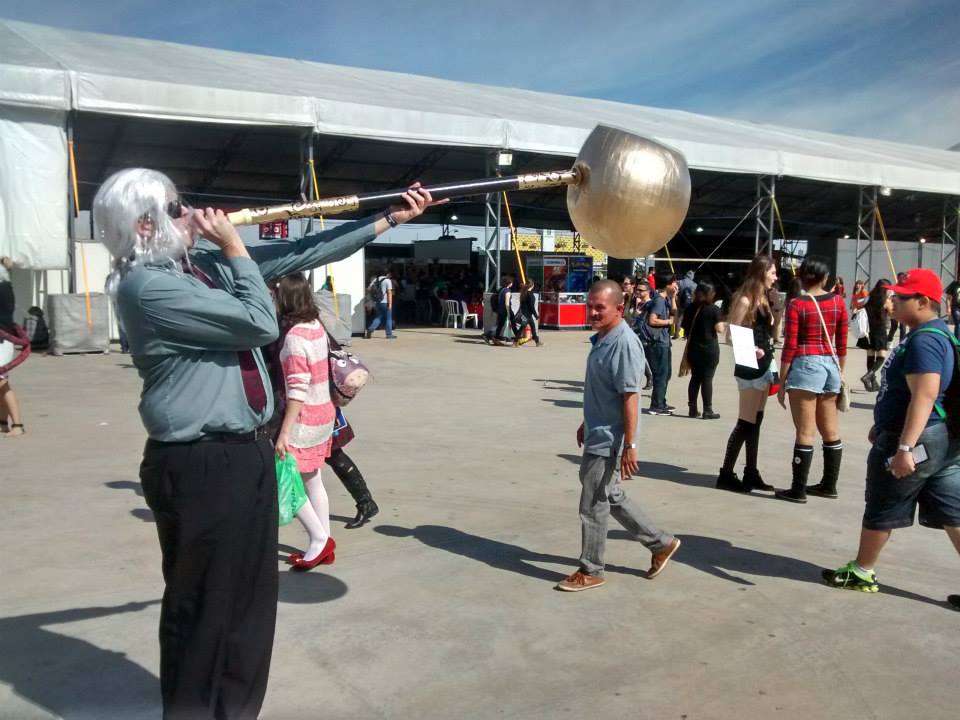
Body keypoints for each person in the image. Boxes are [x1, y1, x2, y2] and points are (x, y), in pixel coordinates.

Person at [93, 167, 440, 719]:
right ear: (144, 225)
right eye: (176, 208)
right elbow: (259, 323)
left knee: (250, 605)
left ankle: (237, 711)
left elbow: (303, 252)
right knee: (203, 609)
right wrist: (235, 247)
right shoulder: (148, 287)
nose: (190, 214)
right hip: (199, 460)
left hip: (247, 450)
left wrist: (386, 219)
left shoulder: (202, 268)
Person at [822, 268, 960, 605]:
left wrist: (904, 447)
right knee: (953, 511)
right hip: (939, 440)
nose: (890, 302)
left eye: (900, 297)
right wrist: (882, 422)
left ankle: (862, 571)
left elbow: (924, 396)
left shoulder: (925, 341)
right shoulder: (934, 334)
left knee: (884, 501)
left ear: (923, 302)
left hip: (919, 439)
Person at [556, 280, 680, 591]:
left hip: (609, 438)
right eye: (590, 306)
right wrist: (586, 421)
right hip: (597, 429)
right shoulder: (602, 338)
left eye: (600, 308)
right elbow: (603, 390)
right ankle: (661, 543)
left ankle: (591, 568)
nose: (593, 313)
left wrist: (630, 444)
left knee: (593, 504)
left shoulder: (623, 343)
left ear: (619, 309)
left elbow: (630, 397)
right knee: (609, 494)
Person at [274, 273, 338, 570]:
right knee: (313, 479)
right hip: (324, 412)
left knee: (288, 480)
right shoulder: (316, 325)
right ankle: (324, 541)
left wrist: (284, 433)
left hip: (304, 420)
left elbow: (297, 389)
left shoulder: (294, 337)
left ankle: (319, 539)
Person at [774, 257, 848, 503]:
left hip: (806, 364)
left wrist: (782, 381)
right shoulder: (838, 301)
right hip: (831, 365)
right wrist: (840, 372)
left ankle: (798, 490)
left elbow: (790, 345)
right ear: (825, 278)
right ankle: (829, 485)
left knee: (805, 432)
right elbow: (842, 343)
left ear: (802, 277)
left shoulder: (797, 304)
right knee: (830, 430)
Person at [716, 254, 778, 493]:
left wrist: (778, 310)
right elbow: (731, 334)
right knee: (745, 421)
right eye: (772, 272)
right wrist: (751, 349)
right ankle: (726, 473)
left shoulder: (766, 298)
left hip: (766, 363)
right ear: (761, 273)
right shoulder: (745, 300)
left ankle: (751, 472)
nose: (775, 277)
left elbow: (774, 332)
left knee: (756, 421)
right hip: (749, 364)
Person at [681, 280, 725, 419]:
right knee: (707, 379)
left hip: (693, 348)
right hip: (709, 349)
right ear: (709, 294)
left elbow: (685, 328)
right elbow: (719, 329)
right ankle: (708, 409)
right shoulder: (714, 309)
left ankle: (692, 409)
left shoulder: (690, 308)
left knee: (695, 378)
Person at [645, 271, 677, 415]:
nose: (676, 285)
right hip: (658, 342)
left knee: (666, 373)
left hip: (664, 341)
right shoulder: (659, 300)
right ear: (667, 284)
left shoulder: (666, 299)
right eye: (674, 282)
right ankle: (656, 405)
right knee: (660, 374)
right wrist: (668, 322)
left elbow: (675, 313)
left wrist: (674, 297)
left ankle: (661, 401)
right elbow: (652, 320)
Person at [0, 256, 25, 437]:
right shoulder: (5, 286)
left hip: (2, 340)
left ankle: (18, 425)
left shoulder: (3, 288)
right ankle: (3, 423)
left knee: (1, 382)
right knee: (1, 385)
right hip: (3, 339)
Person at [860, 279, 896, 391]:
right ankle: (868, 376)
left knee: (870, 356)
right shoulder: (886, 301)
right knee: (881, 357)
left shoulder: (869, 298)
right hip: (879, 330)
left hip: (867, 329)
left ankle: (873, 382)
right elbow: (892, 315)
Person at [365, 268, 396, 339]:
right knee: (388, 318)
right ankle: (389, 334)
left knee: (378, 317)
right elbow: (389, 292)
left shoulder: (375, 280)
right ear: (387, 274)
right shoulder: (387, 280)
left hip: (377, 302)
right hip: (385, 302)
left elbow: (369, 289)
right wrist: (390, 304)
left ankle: (370, 329)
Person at [512, 279, 542, 347]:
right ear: (532, 286)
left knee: (532, 327)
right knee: (523, 328)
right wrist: (536, 315)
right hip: (528, 315)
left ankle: (537, 341)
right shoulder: (530, 295)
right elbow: (532, 307)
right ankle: (515, 342)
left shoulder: (523, 293)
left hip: (524, 314)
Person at [675, 269, 697, 338]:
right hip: (690, 304)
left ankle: (676, 334)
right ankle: (686, 335)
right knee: (688, 319)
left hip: (681, 303)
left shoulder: (679, 282)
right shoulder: (695, 284)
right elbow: (696, 295)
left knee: (679, 319)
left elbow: (675, 291)